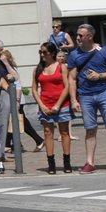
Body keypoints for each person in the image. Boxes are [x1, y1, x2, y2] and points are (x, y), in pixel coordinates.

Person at [67, 23, 106, 173]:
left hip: (104, 93)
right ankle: (90, 162)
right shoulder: (74, 55)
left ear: (90, 36)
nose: (77, 38)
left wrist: (100, 75)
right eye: (77, 35)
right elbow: (72, 79)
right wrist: (74, 100)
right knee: (90, 129)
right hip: (85, 95)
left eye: (80, 35)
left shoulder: (105, 51)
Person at [35, 42, 75, 174]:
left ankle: (67, 162)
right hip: (45, 104)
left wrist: (58, 104)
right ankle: (51, 163)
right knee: (48, 132)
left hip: (61, 104)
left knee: (64, 132)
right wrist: (41, 105)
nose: (42, 54)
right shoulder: (38, 69)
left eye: (44, 52)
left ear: (52, 53)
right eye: (40, 52)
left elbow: (67, 86)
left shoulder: (61, 67)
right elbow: (34, 89)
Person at [0, 47, 46, 154]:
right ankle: (14, 145)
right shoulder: (3, 69)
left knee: (20, 123)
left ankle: (38, 141)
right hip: (11, 100)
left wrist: (17, 101)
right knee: (15, 122)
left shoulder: (11, 69)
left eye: (3, 60)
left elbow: (18, 85)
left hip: (17, 100)